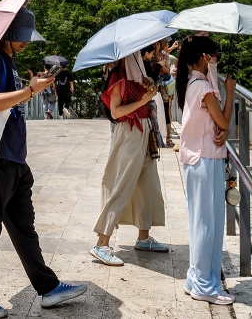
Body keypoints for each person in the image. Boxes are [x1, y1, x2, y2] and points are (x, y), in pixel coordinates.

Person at [0, 7, 87, 318]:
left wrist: (32, 88)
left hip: (14, 158)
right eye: (22, 38)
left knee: (24, 228)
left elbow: (10, 101)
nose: (26, 44)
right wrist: (30, 90)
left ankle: (47, 288)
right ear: (9, 33)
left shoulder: (9, 61)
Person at [90, 46, 167, 267]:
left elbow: (145, 98)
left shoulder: (137, 75)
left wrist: (149, 90)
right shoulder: (119, 77)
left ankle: (143, 237)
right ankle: (101, 243)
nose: (142, 55)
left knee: (148, 185)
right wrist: (144, 100)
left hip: (144, 130)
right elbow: (115, 112)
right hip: (130, 132)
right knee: (122, 185)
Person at [176, 35, 235, 305]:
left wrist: (219, 130)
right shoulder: (205, 89)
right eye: (216, 56)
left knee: (202, 221)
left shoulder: (191, 84)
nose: (217, 61)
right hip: (205, 159)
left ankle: (198, 278)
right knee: (208, 224)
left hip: (197, 158)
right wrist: (230, 91)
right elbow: (222, 121)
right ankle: (204, 285)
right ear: (204, 58)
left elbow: (214, 124)